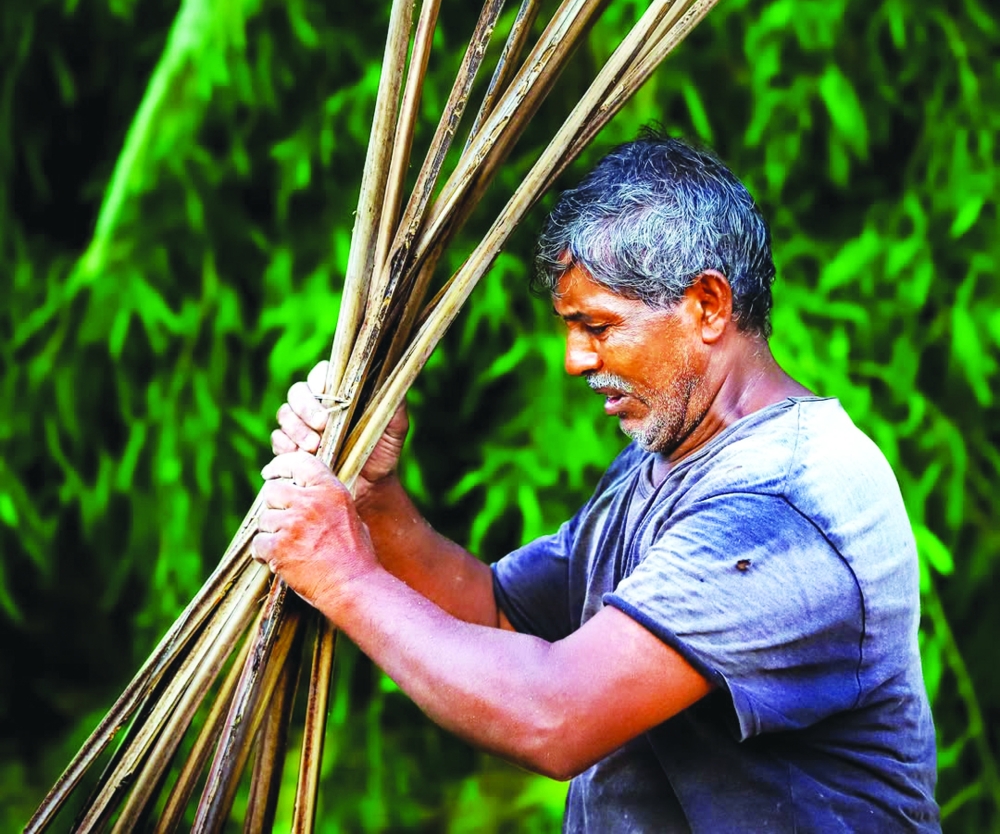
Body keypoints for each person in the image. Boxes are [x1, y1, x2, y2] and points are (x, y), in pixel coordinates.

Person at [252, 133, 940, 832]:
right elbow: (498, 614)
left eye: (597, 325)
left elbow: (554, 717)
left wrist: (343, 577)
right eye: (569, 327)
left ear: (706, 306)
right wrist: (376, 503)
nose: (574, 360)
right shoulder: (661, 460)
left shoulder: (782, 504)